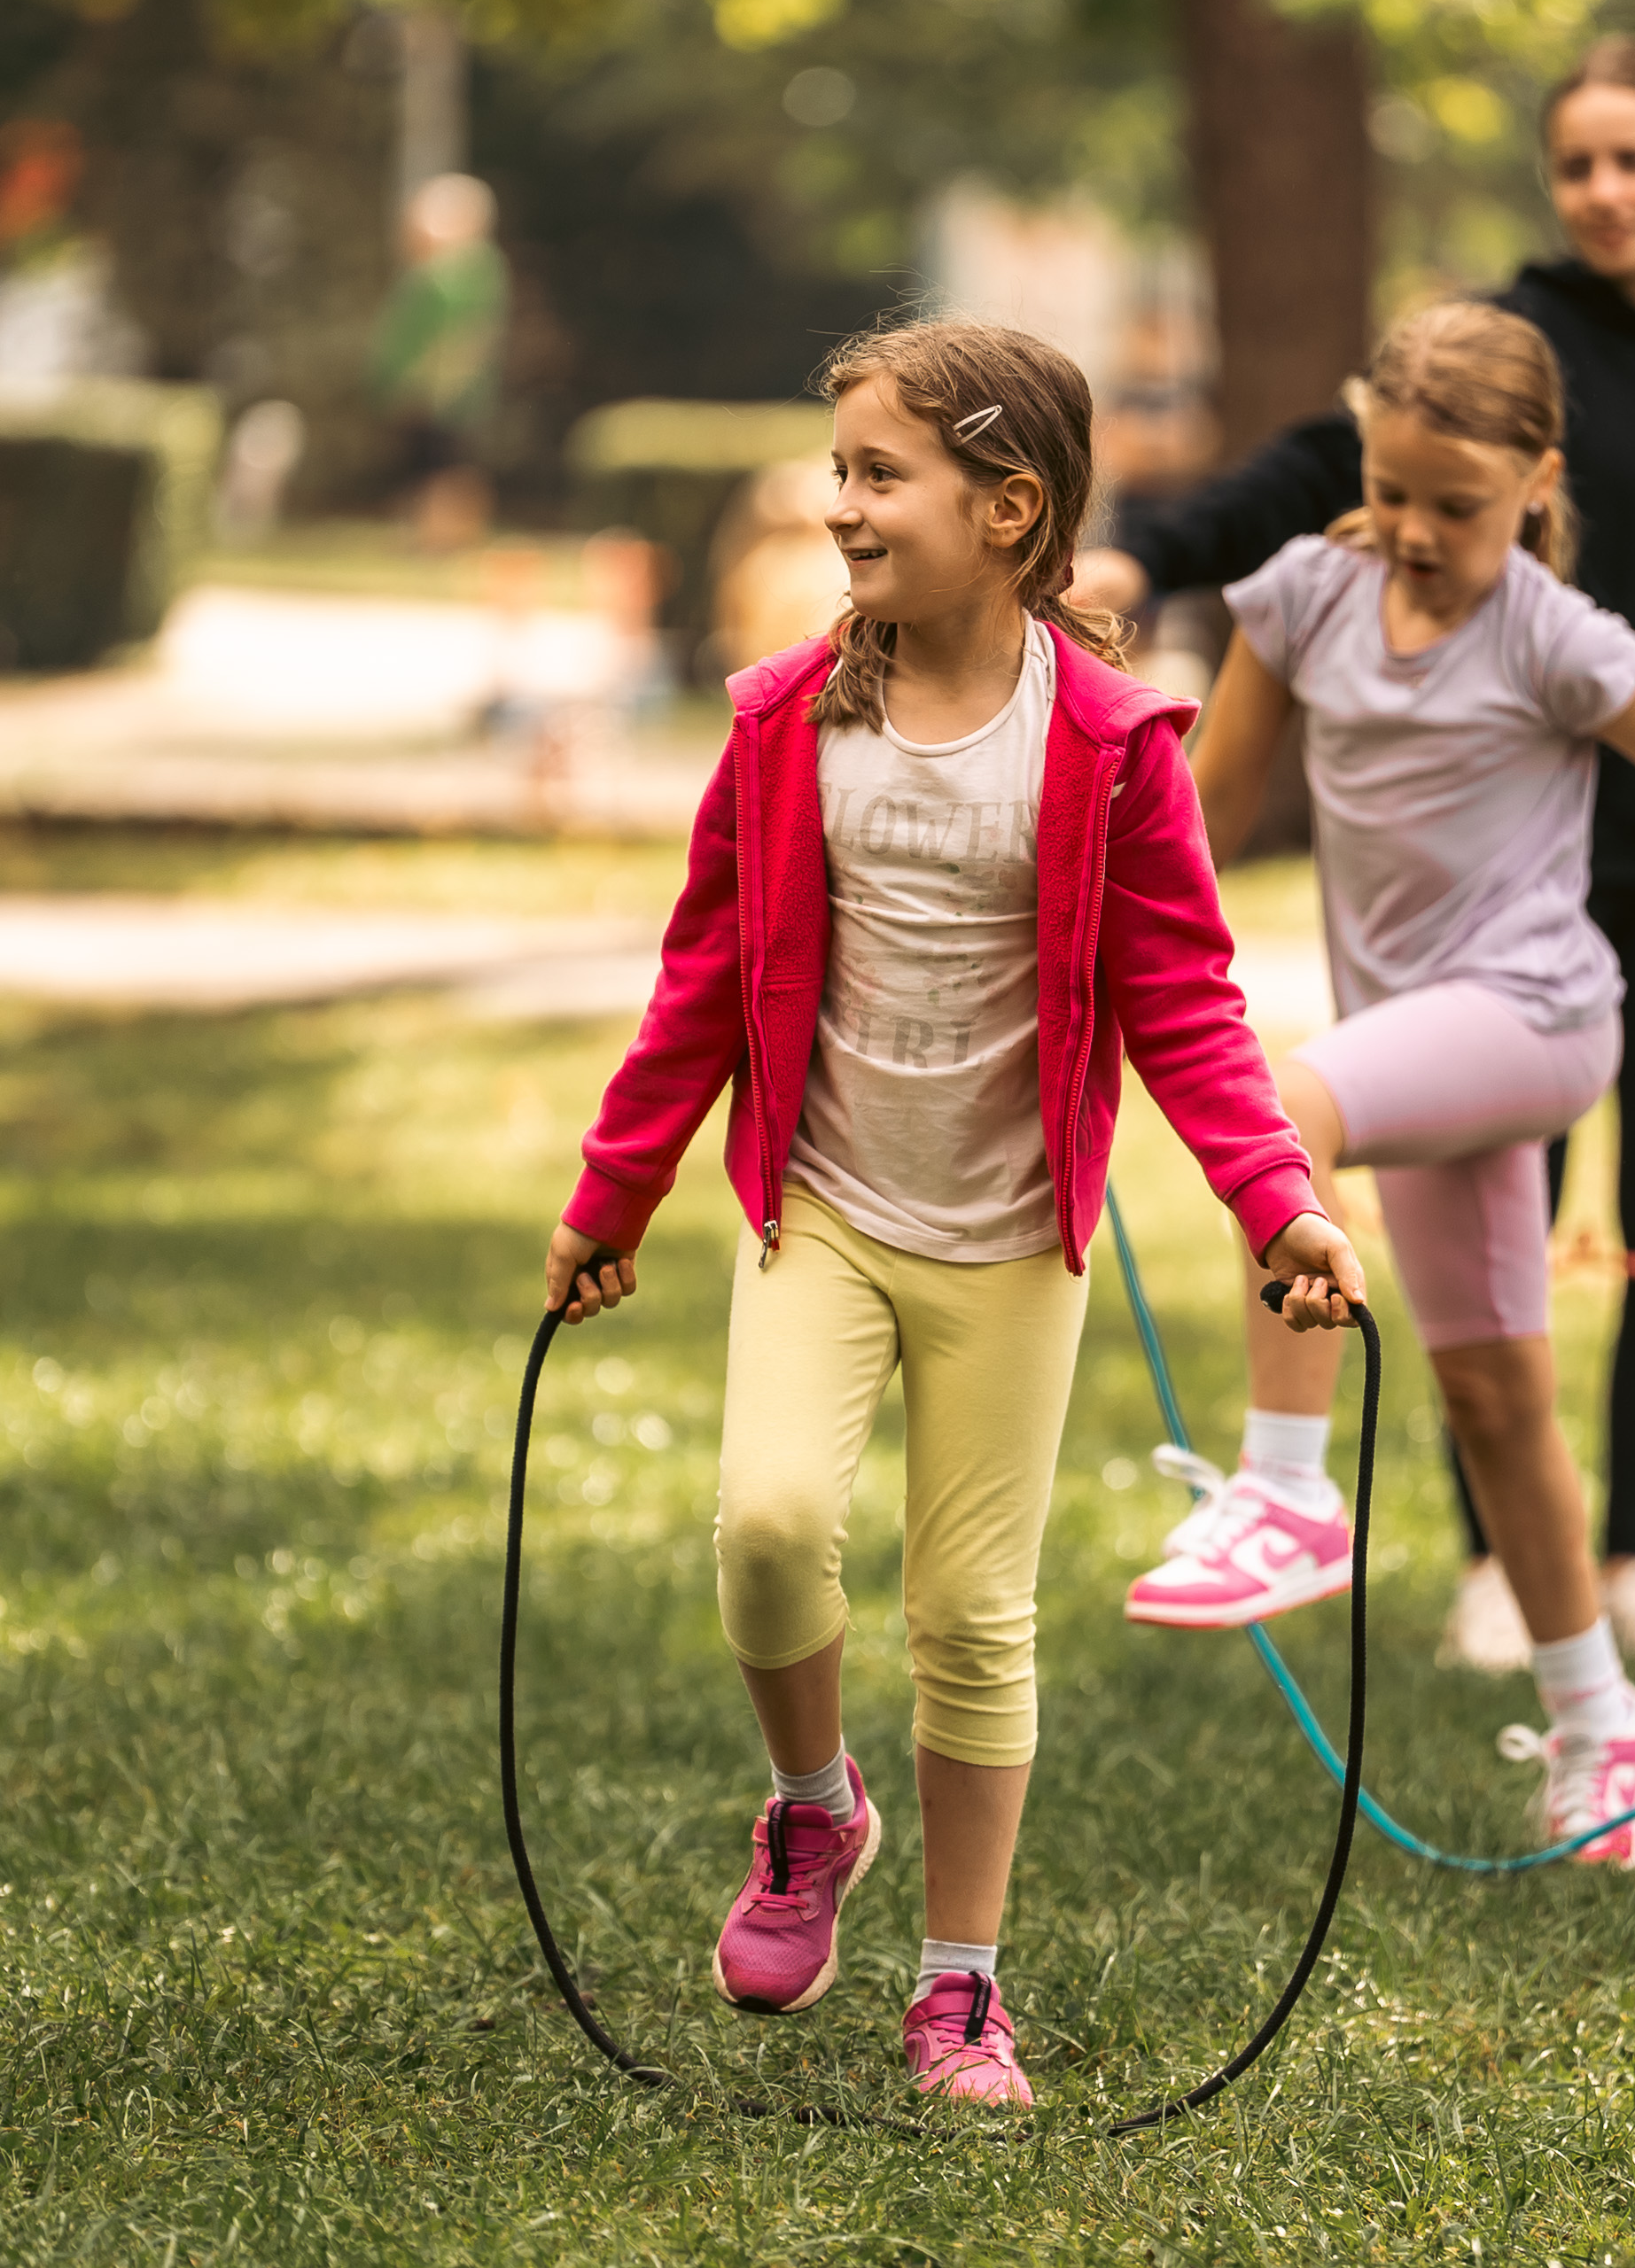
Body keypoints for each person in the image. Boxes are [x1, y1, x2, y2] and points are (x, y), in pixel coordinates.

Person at [1080, 36, 1635, 1681]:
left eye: (1633, 159)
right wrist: (1143, 553)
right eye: (1575, 162)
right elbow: (1307, 486)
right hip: (1502, 883)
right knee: (1490, 1243)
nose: (1602, 190)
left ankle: (1629, 1559)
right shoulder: (1494, 357)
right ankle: (1499, 1572)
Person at [542, 320, 1362, 2110]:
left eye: (880, 474)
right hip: (822, 1209)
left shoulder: (1112, 745)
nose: (841, 505)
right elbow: (699, 981)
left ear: (1009, 508)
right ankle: (813, 1806)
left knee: (974, 1615)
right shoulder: (783, 724)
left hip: (1006, 1240)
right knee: (769, 1530)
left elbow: (1188, 1004)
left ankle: (959, 1987)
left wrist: (1276, 1201)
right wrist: (618, 1192)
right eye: (839, 470)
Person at [1122, 300, 1635, 1868]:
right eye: (1390, 488)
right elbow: (1215, 802)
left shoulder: (1553, 635)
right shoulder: (1305, 595)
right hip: (1419, 1049)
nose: (1414, 529)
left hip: (1534, 1021)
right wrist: (1112, 935)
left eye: (1455, 504)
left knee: (1283, 1110)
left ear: (1535, 483)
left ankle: (1284, 1491)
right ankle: (1603, 1723)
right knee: (1494, 1396)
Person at [368, 172, 510, 550]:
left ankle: (445, 537)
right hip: (425, 388)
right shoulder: (431, 274)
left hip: (445, 390)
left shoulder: (464, 271)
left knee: (446, 464)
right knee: (424, 463)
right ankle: (428, 533)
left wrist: (432, 383)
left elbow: (460, 335)